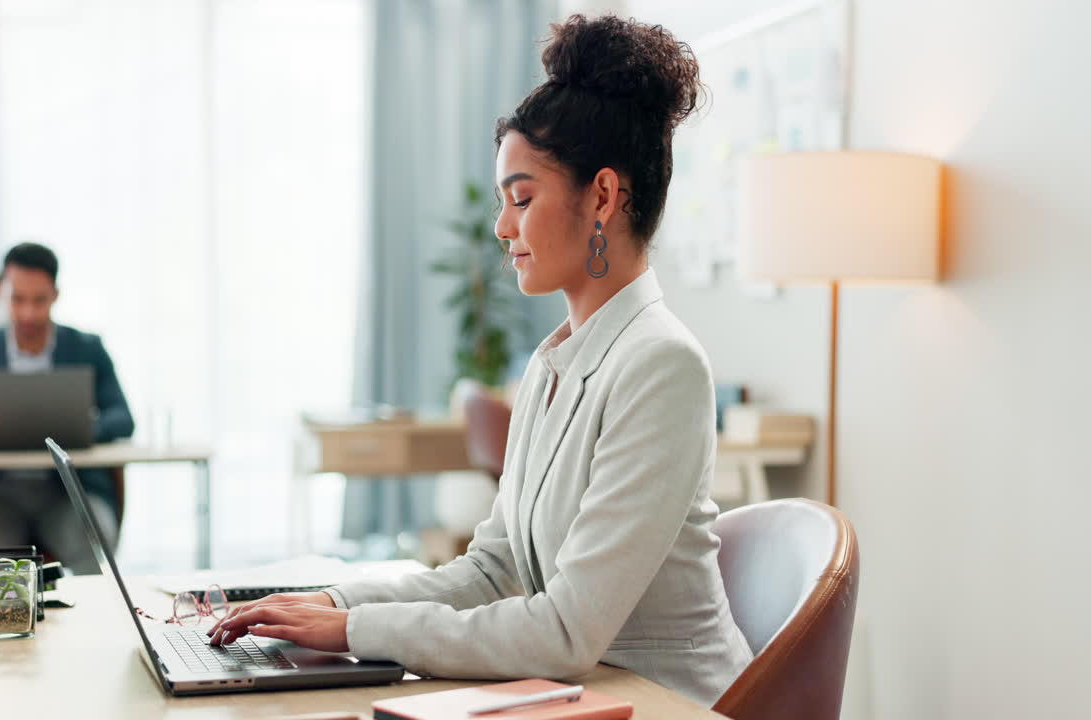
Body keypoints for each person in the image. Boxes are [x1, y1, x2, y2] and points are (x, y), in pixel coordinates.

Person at [209, 15, 752, 705]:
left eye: (521, 198)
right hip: (584, 694)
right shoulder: (555, 363)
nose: (502, 227)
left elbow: (564, 631)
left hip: (664, 700)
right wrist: (330, 602)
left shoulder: (662, 364)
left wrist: (355, 629)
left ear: (605, 198)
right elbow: (494, 570)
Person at [0, 242, 135, 575]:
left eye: (39, 300)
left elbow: (122, 419)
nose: (28, 313)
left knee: (95, 543)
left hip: (67, 491)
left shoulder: (86, 349)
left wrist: (75, 430)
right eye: (17, 299)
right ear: (0, 292)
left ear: (55, 294)